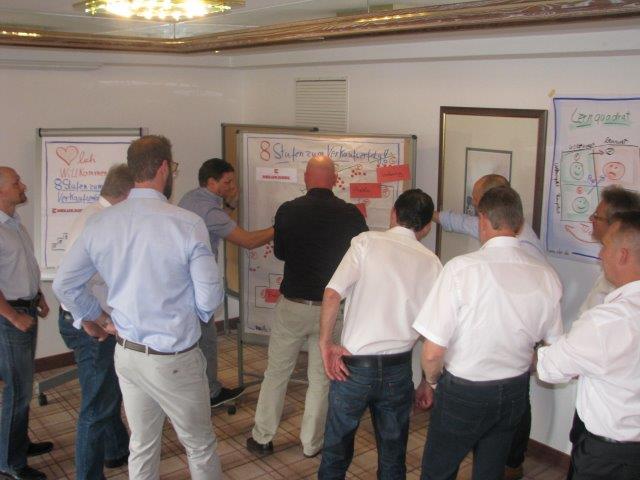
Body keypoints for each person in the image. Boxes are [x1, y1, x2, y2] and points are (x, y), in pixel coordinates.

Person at [53, 135, 224, 480]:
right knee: (199, 446)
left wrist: (99, 318)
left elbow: (64, 284)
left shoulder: (101, 222)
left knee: (142, 445)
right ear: (164, 168)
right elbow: (209, 298)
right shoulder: (187, 223)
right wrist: (192, 317)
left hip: (127, 354)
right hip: (174, 357)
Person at [413, 186, 563, 480]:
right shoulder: (546, 276)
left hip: (464, 390)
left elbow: (432, 352)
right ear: (518, 223)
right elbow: (553, 348)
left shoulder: (461, 269)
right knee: (491, 470)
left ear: (483, 220)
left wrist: (432, 381)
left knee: (439, 469)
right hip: (514, 391)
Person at [246, 155, 368, 458]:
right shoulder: (351, 214)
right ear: (335, 180)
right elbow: (360, 259)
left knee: (277, 372)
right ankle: (312, 443)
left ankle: (262, 437)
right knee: (321, 379)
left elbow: (281, 253)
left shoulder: (288, 210)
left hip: (294, 305)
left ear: (305, 179)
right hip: (331, 308)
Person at [317, 189, 442, 479]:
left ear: (393, 213)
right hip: (399, 371)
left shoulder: (366, 242)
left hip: (353, 369)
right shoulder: (433, 263)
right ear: (426, 228)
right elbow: (435, 331)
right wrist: (428, 382)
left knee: (336, 451)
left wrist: (325, 343)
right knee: (393, 455)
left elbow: (333, 294)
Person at [537, 211, 640, 480]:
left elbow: (551, 368)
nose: (600, 254)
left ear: (623, 255)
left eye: (605, 246)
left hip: (609, 458)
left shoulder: (607, 322)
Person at [57, 164, 132, 479]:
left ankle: (116, 449)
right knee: (96, 407)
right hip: (92, 327)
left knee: (108, 392)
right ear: (128, 194)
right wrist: (92, 319)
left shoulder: (97, 214)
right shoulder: (97, 222)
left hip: (93, 322)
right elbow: (65, 285)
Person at [179, 158, 273, 407]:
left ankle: (195, 389)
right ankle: (210, 393)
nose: (233, 186)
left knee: (194, 339)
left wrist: (230, 204)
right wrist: (280, 226)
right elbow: (248, 241)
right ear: (211, 182)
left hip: (181, 281)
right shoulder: (209, 210)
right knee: (206, 340)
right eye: (228, 182)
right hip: (196, 285)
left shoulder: (190, 198)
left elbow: (218, 225)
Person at [0, 167, 53, 480]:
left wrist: (39, 295)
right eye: (16, 182)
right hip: (11, 318)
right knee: (18, 390)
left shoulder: (14, 223)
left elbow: (24, 267)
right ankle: (9, 461)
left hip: (26, 308)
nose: (23, 185)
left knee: (22, 386)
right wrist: (12, 316)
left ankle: (18, 443)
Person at [579, 186, 640, 313]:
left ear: (615, 223)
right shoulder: (611, 262)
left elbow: (598, 320)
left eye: (597, 216)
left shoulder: (620, 275)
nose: (591, 219)